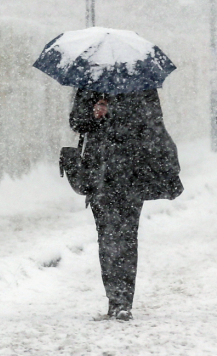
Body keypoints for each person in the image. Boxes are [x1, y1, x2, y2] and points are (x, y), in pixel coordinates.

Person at [70, 87, 183, 322]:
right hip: (99, 176)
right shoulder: (89, 85)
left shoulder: (142, 86)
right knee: (106, 239)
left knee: (127, 238)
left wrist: (116, 114)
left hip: (132, 175)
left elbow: (153, 126)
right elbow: (76, 122)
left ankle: (124, 303)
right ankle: (114, 300)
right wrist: (93, 114)